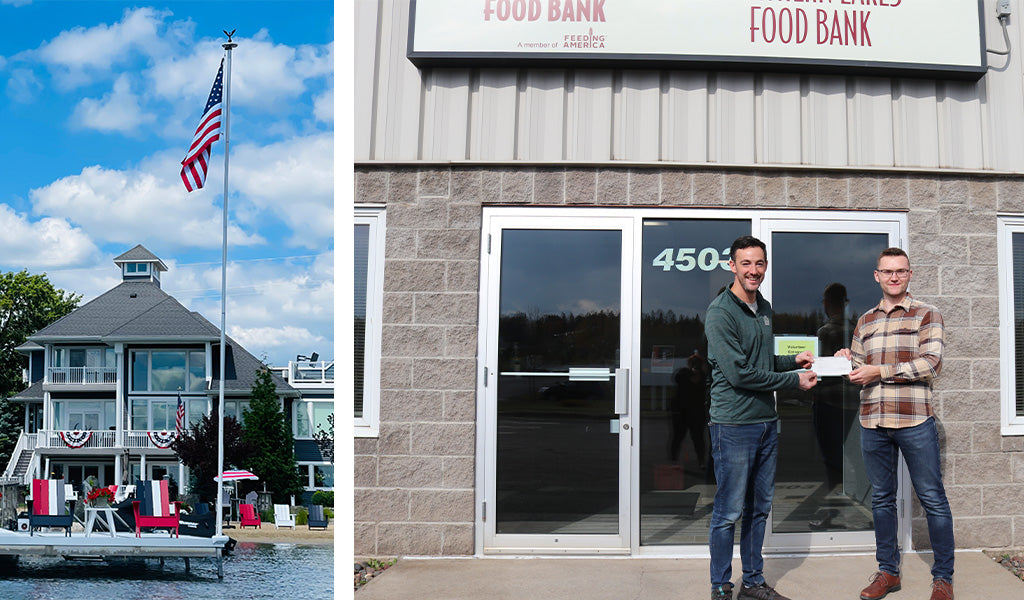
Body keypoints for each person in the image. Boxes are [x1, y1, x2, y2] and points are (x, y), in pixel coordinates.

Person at [835, 247, 953, 600]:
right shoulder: (865, 321)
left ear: (910, 274)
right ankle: (888, 572)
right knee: (882, 501)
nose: (894, 277)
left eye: (900, 271)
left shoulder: (927, 314)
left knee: (932, 498)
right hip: (874, 421)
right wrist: (845, 361)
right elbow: (858, 370)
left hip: (915, 421)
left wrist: (880, 371)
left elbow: (932, 363)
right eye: (887, 272)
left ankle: (943, 578)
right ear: (877, 275)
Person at [704, 235, 818, 600]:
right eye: (746, 263)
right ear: (732, 266)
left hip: (766, 423)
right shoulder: (720, 312)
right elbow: (739, 374)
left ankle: (752, 583)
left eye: (759, 263)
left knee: (759, 509)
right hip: (733, 425)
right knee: (728, 511)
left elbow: (761, 361)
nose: (753, 270)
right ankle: (721, 586)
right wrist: (792, 380)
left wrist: (792, 361)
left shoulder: (763, 307)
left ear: (765, 266)